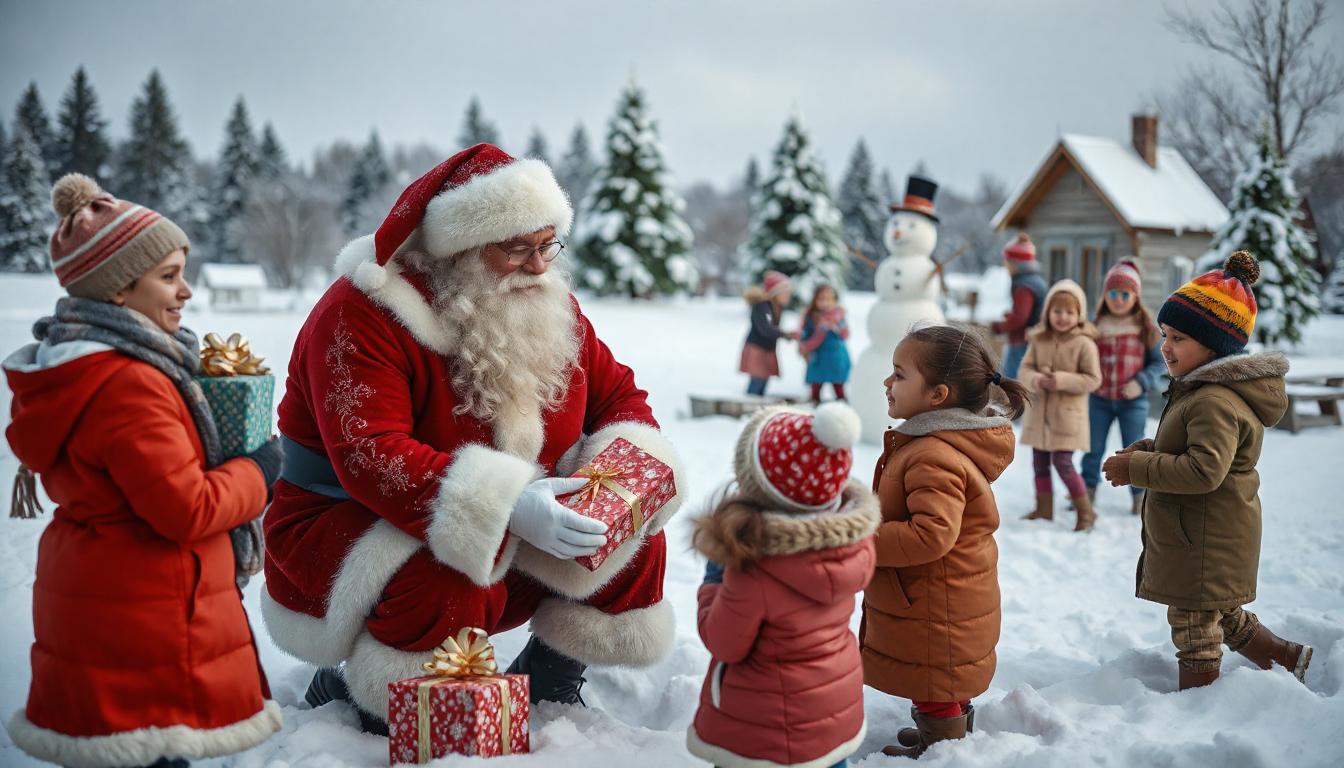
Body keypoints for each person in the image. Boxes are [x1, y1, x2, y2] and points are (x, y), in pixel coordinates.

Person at [264, 144, 686, 732]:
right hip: (348, 524)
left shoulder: (545, 304)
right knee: (448, 579)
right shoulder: (361, 312)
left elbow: (618, 397)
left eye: (547, 245)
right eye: (515, 249)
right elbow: (370, 455)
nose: (539, 266)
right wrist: (508, 507)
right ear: (456, 249)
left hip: (503, 512)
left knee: (626, 537)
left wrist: (611, 489)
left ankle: (552, 679)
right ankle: (375, 693)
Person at [3, 174, 281, 768]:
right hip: (142, 616)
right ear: (119, 290)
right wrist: (259, 469)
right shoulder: (128, 383)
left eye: (183, 272)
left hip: (108, 598)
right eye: (168, 276)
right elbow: (187, 508)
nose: (185, 291)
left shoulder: (86, 366)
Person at [1103, 251, 1312, 691]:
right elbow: (1193, 450)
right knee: (1224, 615)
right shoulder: (1202, 391)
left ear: (1213, 344)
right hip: (1205, 533)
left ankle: (1198, 705)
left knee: (1195, 627)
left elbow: (1204, 471)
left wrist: (1137, 467)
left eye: (1178, 337)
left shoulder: (1214, 400)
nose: (1165, 346)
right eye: (1164, 334)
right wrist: (1149, 449)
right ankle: (1290, 659)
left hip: (1204, 537)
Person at [862, 325, 1027, 758]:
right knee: (939, 675)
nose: (887, 382)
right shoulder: (933, 442)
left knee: (933, 675)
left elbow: (930, 535)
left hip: (936, 599)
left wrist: (863, 534)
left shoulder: (934, 453)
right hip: (940, 594)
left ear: (937, 395)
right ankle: (946, 729)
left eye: (899, 375)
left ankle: (943, 747)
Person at [688, 403, 877, 768]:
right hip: (831, 711)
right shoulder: (850, 544)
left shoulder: (758, 570)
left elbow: (724, 643)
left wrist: (714, 580)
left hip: (766, 730)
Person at [1080, 260, 1165, 515]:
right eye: (1113, 293)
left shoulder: (1145, 328)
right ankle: (1086, 493)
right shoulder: (1095, 326)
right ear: (1105, 295)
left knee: (1134, 447)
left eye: (1125, 294)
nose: (1118, 299)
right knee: (1093, 447)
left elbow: (1158, 363)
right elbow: (1083, 357)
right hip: (1100, 400)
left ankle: (1139, 497)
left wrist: (1140, 382)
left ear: (1135, 297)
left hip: (1132, 401)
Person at [1019, 280, 1102, 531]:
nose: (1063, 317)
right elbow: (1024, 369)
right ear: (1047, 313)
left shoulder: (1084, 344)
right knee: (1039, 462)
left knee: (1063, 463)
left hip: (1067, 417)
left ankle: (1086, 512)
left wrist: (1063, 380)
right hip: (1040, 413)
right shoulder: (1038, 339)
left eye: (1069, 312)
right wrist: (1035, 379)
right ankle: (1043, 509)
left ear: (1079, 315)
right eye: (1057, 311)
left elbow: (1093, 379)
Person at [990, 233, 1047, 380]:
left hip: (1022, 342)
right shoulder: (1035, 280)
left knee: (1012, 381)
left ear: (1016, 263)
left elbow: (1021, 318)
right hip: (1033, 340)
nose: (1006, 265)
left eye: (1008, 262)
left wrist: (999, 327)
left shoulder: (1023, 286)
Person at [740, 270, 799, 396]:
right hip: (758, 349)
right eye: (785, 292)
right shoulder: (762, 306)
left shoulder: (776, 307)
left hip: (766, 349)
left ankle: (755, 404)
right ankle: (750, 405)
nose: (788, 296)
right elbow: (765, 329)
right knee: (758, 381)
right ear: (775, 293)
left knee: (763, 380)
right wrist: (785, 334)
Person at [799, 283, 852, 405]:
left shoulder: (839, 316)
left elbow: (845, 335)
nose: (826, 303)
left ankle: (842, 404)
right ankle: (814, 402)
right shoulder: (811, 316)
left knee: (838, 384)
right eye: (822, 299)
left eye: (829, 299)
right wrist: (818, 332)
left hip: (836, 357)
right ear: (815, 300)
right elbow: (805, 336)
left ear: (834, 300)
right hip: (818, 357)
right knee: (816, 384)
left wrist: (836, 326)